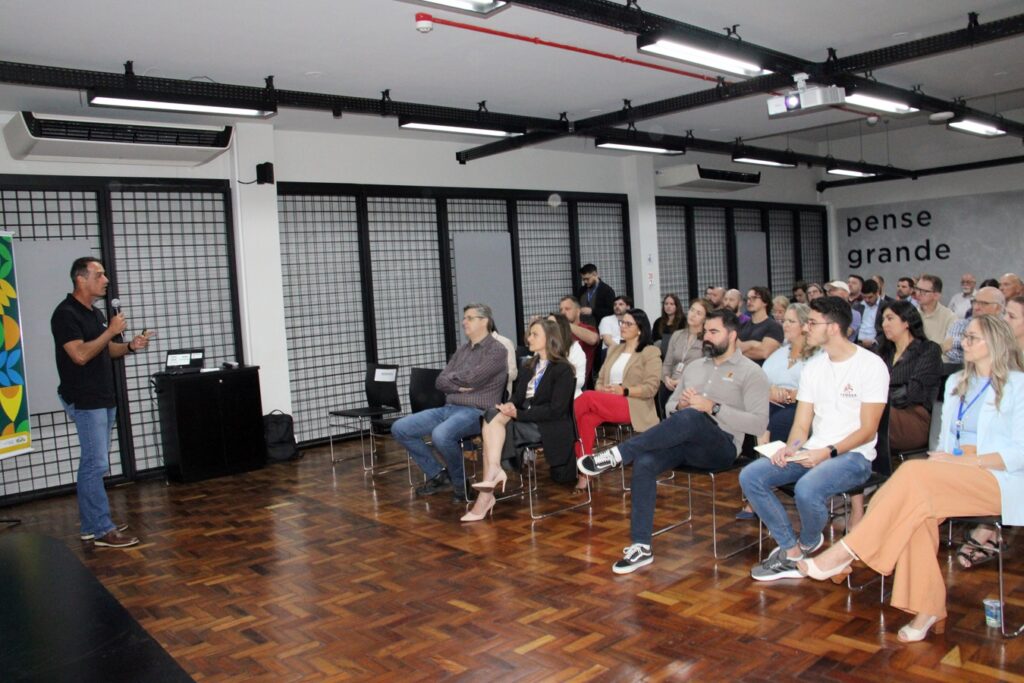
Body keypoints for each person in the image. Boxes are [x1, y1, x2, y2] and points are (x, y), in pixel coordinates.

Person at [799, 314, 1024, 643]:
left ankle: (848, 550)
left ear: (995, 343)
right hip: (955, 470)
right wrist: (949, 460)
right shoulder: (957, 382)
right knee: (917, 510)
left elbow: (1020, 453)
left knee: (913, 474)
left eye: (972, 338)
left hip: (1000, 477)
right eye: (965, 336)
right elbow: (945, 444)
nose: (963, 342)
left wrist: (969, 461)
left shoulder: (1019, 386)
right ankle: (928, 608)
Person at [577, 309, 769, 573]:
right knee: (645, 462)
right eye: (705, 332)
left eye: (714, 332)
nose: (707, 337)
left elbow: (758, 424)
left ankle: (618, 454)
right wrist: (681, 404)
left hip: (722, 446)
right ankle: (641, 546)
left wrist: (713, 408)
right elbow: (669, 407)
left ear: (733, 335)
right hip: (684, 441)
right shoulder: (695, 367)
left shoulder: (751, 372)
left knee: (692, 416)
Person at [740, 296, 888, 581]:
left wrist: (827, 452)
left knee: (807, 488)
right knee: (752, 476)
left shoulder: (870, 365)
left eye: (812, 323)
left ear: (832, 327)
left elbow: (868, 430)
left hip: (854, 456)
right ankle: (792, 551)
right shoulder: (814, 367)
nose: (806, 328)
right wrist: (791, 448)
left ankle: (808, 542)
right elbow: (801, 425)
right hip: (812, 450)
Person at [51, 256, 152, 548]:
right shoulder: (65, 314)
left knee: (95, 463)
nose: (106, 280)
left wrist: (130, 346)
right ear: (81, 279)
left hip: (103, 396)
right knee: (95, 464)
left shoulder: (94, 314)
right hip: (85, 399)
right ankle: (100, 529)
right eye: (99, 274)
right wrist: (110, 330)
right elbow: (80, 355)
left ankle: (92, 525)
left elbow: (106, 350)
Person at [391, 303, 508, 503]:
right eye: (464, 318)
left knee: (441, 435)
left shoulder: (497, 350)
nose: (464, 322)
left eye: (469, 318)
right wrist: (458, 386)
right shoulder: (462, 350)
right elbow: (440, 381)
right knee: (400, 428)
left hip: (478, 412)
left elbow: (474, 378)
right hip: (450, 408)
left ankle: (461, 485)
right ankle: (438, 475)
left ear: (484, 321)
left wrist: (453, 379)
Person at [462, 318, 576, 522]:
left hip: (548, 425)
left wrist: (518, 414)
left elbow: (556, 411)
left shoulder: (563, 369)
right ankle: (493, 474)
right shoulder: (529, 365)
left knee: (495, 426)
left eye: (534, 334)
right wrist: (509, 406)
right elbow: (518, 397)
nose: (529, 338)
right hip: (525, 418)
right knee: (491, 414)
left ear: (550, 338)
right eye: (529, 334)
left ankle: (486, 495)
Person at [957, 294, 1024, 568]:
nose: (1004, 320)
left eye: (1012, 316)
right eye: (1004, 314)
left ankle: (987, 528)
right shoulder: (992, 363)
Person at [573, 308, 660, 490]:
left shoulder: (650, 352)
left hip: (633, 404)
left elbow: (651, 387)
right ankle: (585, 472)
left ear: (640, 329)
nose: (623, 326)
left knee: (586, 397)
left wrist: (624, 390)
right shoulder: (614, 350)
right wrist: (602, 389)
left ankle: (562, 424)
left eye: (628, 324)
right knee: (585, 420)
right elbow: (599, 380)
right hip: (607, 401)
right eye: (622, 322)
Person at [877, 301, 943, 453]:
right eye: (883, 319)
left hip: (914, 417)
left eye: (890, 318)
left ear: (906, 322)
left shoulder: (928, 349)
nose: (884, 324)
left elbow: (914, 391)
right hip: (884, 411)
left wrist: (877, 399)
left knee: (866, 413)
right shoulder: (883, 353)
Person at [659, 298, 712, 415]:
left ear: (705, 318)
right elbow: (667, 363)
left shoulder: (707, 339)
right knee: (663, 393)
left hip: (691, 386)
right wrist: (666, 378)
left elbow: (706, 370)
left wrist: (681, 381)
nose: (693, 315)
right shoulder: (677, 335)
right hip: (671, 383)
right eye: (692, 310)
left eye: (698, 313)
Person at [942, 286, 1003, 363]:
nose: (976, 307)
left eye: (983, 303)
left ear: (998, 308)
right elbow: (949, 350)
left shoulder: (1006, 328)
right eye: (974, 302)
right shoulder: (960, 324)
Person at [737, 286, 783, 365]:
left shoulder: (774, 326)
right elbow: (732, 350)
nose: (749, 301)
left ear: (765, 302)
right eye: (748, 298)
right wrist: (754, 344)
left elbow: (764, 353)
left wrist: (740, 350)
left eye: (754, 298)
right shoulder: (742, 326)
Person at [547, 312, 586, 398]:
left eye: (551, 324)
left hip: (570, 396)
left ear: (562, 328)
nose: (547, 327)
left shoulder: (575, 348)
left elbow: (580, 380)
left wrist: (558, 382)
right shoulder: (542, 347)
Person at [559, 296, 599, 380]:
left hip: (577, 377)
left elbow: (593, 339)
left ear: (578, 311)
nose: (563, 313)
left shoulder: (587, 328)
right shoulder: (558, 331)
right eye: (561, 310)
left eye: (567, 309)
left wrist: (566, 324)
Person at [914, 274, 957, 345]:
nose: (918, 294)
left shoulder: (950, 317)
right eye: (917, 289)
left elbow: (949, 346)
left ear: (936, 296)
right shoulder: (911, 314)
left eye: (923, 291)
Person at [855, 279, 881, 349]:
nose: (867, 300)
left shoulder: (885, 306)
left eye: (870, 297)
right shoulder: (857, 307)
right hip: (858, 344)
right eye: (864, 297)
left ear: (877, 293)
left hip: (876, 345)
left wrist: (875, 341)